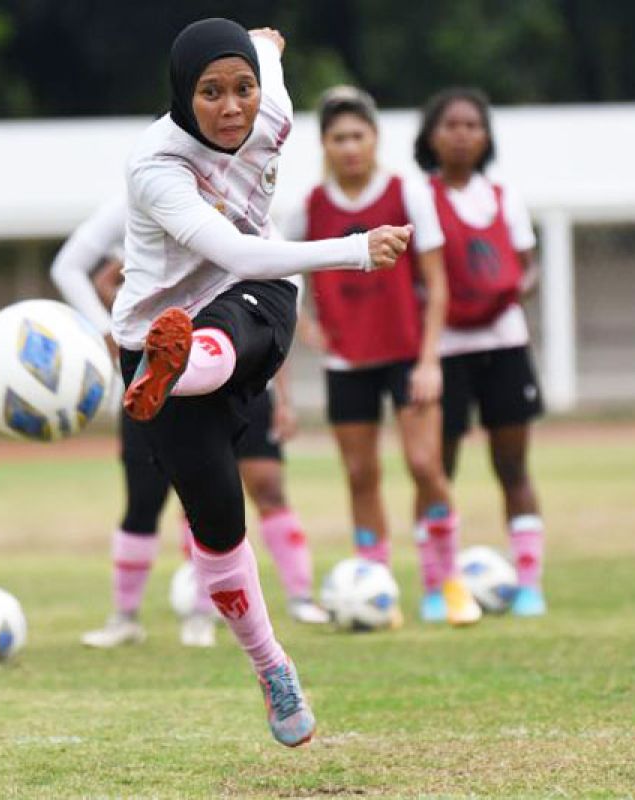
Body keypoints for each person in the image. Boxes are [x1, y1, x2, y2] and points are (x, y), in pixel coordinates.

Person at [112, 19, 412, 747]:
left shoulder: (270, 103)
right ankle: (271, 664)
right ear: (183, 96)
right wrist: (355, 250)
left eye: (241, 87)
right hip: (152, 338)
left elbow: (269, 58)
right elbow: (230, 249)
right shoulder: (155, 164)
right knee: (218, 527)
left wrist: (267, 48)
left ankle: (188, 361)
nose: (232, 106)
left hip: (251, 307)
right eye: (210, 92)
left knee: (239, 313)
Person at [48, 197, 329, 653]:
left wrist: (283, 394)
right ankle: (124, 618)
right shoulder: (140, 201)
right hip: (149, 375)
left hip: (227, 371)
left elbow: (272, 305)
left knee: (212, 497)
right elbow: (70, 267)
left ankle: (217, 611)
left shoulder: (241, 203)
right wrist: (106, 328)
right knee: (143, 498)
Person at [285, 86, 481, 626]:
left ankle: (446, 583)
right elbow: (277, 270)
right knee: (360, 474)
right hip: (348, 361)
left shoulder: (408, 194)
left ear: (375, 139)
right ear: (325, 145)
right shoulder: (310, 208)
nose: (349, 147)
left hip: (406, 355)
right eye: (338, 137)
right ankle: (378, 589)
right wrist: (302, 323)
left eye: (358, 136)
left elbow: (437, 285)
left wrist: (429, 360)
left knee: (425, 465)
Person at [413, 87, 548, 617]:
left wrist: (510, 285)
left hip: (505, 343)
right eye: (451, 125)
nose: (462, 134)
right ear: (431, 136)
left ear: (486, 136)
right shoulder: (419, 197)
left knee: (512, 465)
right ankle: (435, 585)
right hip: (443, 349)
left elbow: (528, 264)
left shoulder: (503, 196)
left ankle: (531, 582)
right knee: (436, 467)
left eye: (473, 125)